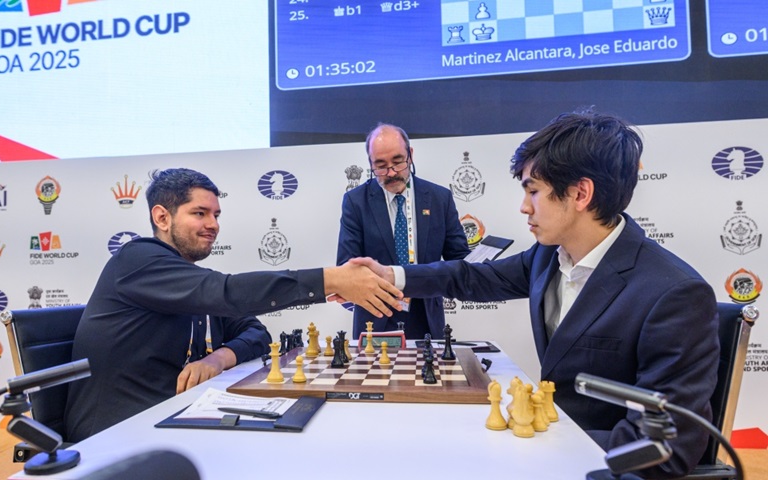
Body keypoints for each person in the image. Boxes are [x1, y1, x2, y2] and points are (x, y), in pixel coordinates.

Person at [354, 110, 719, 479]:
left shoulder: (674, 295)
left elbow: (663, 448)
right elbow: (473, 277)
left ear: (580, 193)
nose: (524, 206)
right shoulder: (548, 256)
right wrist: (392, 275)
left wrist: (542, 439)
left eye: (533, 191)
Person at [64, 168, 402, 442]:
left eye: (216, 214)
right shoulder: (138, 261)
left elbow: (255, 332)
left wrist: (218, 358)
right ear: (162, 217)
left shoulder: (187, 281)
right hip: (115, 437)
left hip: (173, 419)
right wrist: (331, 280)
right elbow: (228, 293)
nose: (213, 224)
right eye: (199, 213)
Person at [337, 123, 470, 340]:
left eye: (398, 162)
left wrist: (481, 263)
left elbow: (459, 258)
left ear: (411, 155)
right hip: (376, 318)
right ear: (370, 163)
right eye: (381, 166)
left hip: (426, 315)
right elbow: (347, 265)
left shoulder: (439, 198)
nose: (391, 173)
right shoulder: (356, 202)